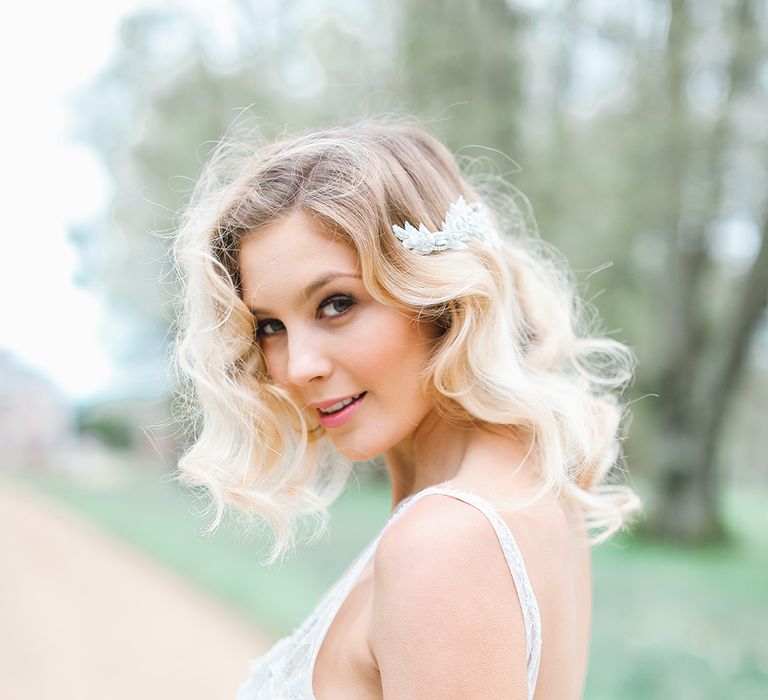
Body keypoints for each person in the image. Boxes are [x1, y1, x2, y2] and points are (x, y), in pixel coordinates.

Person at [172, 120, 641, 699]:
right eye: (270, 325)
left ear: (439, 293)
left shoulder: (446, 542)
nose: (296, 367)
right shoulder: (524, 485)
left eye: (336, 304)